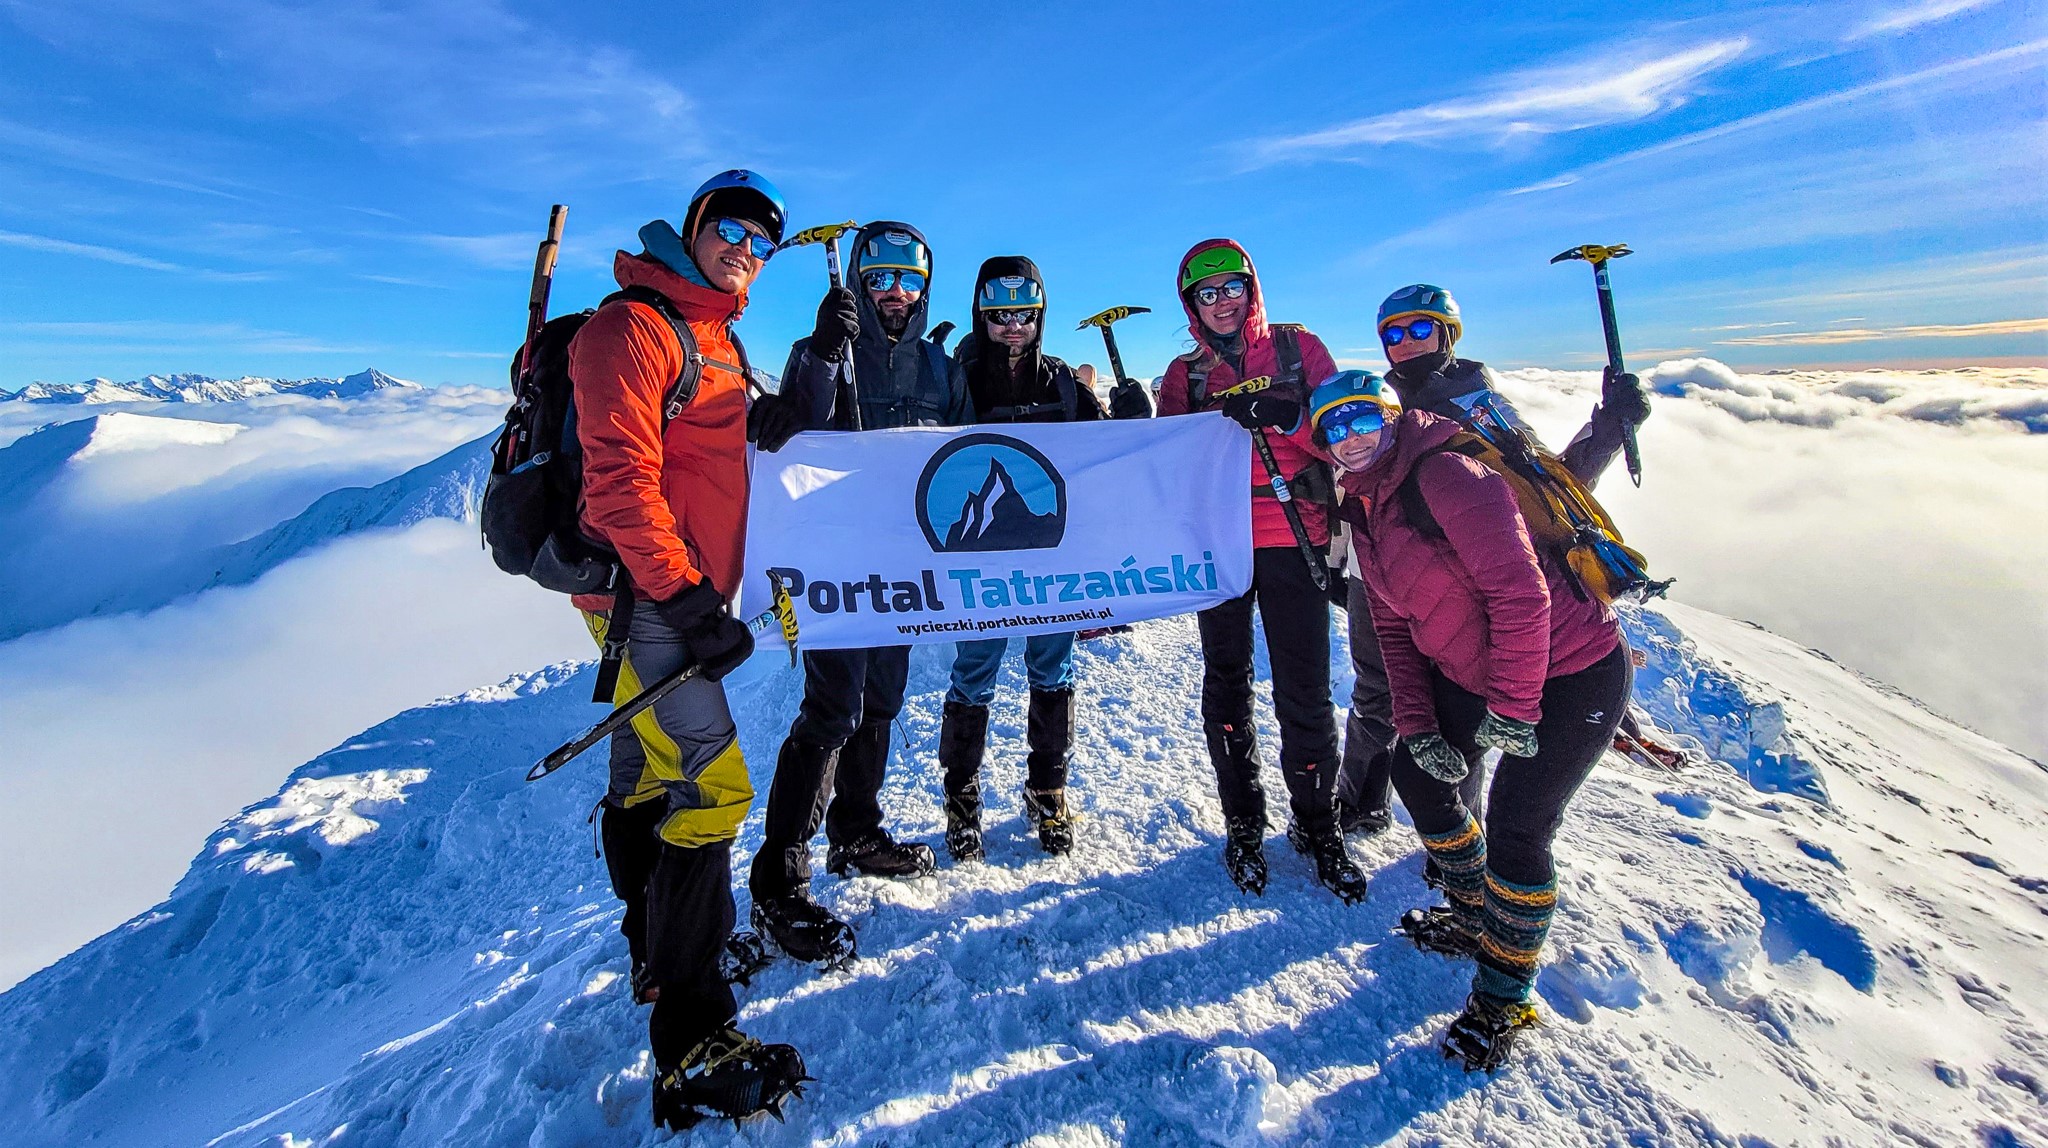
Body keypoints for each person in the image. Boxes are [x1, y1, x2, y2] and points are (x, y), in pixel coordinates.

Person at [572, 169, 809, 1130]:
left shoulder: (712, 332)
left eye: (763, 241)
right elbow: (620, 486)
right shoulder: (633, 326)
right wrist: (690, 601)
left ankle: (659, 952)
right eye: (734, 230)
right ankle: (693, 1043)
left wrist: (762, 419)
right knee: (715, 791)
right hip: (654, 596)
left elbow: (697, 440)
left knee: (642, 780)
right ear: (697, 227)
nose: (747, 249)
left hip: (666, 593)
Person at [1313, 370, 1633, 1072]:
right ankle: (1471, 910)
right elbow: (1396, 632)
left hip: (1575, 670)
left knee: (1519, 829)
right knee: (1415, 772)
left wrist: (1514, 710)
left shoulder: (1450, 475)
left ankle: (1503, 997)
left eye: (1363, 417)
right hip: (1483, 676)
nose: (1352, 436)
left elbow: (1521, 596)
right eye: (1334, 428)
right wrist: (1420, 724)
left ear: (1393, 417)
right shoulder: (1366, 508)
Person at [1336, 284, 1651, 844]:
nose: (1404, 343)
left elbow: (1543, 486)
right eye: (1392, 334)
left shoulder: (1476, 402)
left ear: (1447, 332)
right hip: (1386, 571)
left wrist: (1606, 430)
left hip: (1477, 578)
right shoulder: (1385, 407)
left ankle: (1460, 830)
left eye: (1417, 328)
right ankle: (1367, 804)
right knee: (1388, 690)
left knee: (1451, 702)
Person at [751, 222, 969, 965]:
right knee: (833, 707)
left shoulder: (942, 370)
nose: (896, 294)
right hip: (838, 569)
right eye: (880, 279)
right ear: (858, 283)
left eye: (909, 280)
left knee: (880, 700)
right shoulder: (825, 351)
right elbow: (795, 432)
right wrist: (818, 354)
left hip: (906, 568)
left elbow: (975, 451)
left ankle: (856, 830)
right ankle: (780, 874)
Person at [1154, 239, 1367, 904]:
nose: (1221, 303)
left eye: (1231, 288)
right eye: (1206, 294)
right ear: (1192, 304)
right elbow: (1163, 463)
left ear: (1251, 289)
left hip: (1295, 540)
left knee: (1305, 691)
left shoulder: (1301, 353)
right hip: (1219, 546)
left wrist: (1288, 417)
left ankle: (1316, 824)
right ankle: (1243, 822)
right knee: (1227, 687)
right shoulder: (1184, 375)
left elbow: (1347, 432)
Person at [936, 257, 1150, 864]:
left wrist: (1132, 422)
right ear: (982, 313)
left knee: (1052, 671)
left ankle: (1048, 786)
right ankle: (962, 792)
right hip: (977, 558)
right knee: (973, 670)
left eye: (1023, 315)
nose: (1011, 327)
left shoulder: (1060, 382)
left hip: (1049, 561)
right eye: (999, 315)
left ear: (1039, 316)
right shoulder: (960, 379)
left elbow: (1104, 458)